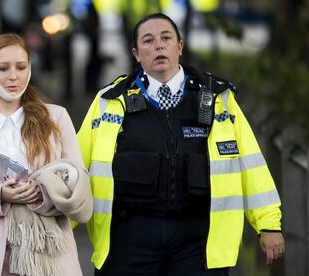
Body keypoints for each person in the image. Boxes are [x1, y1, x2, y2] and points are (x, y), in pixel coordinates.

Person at [77, 13, 284, 275]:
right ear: (136, 53)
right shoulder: (109, 101)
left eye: (166, 38)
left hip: (197, 240)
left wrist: (268, 224)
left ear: (180, 47)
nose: (159, 46)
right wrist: (57, 225)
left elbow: (250, 162)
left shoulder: (216, 98)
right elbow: (76, 168)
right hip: (128, 240)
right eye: (148, 41)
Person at [0, 33, 92, 276]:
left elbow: (77, 183)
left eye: (21, 67)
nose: (13, 76)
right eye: (3, 68)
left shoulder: (57, 117)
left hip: (49, 258)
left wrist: (41, 194)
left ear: (30, 69)